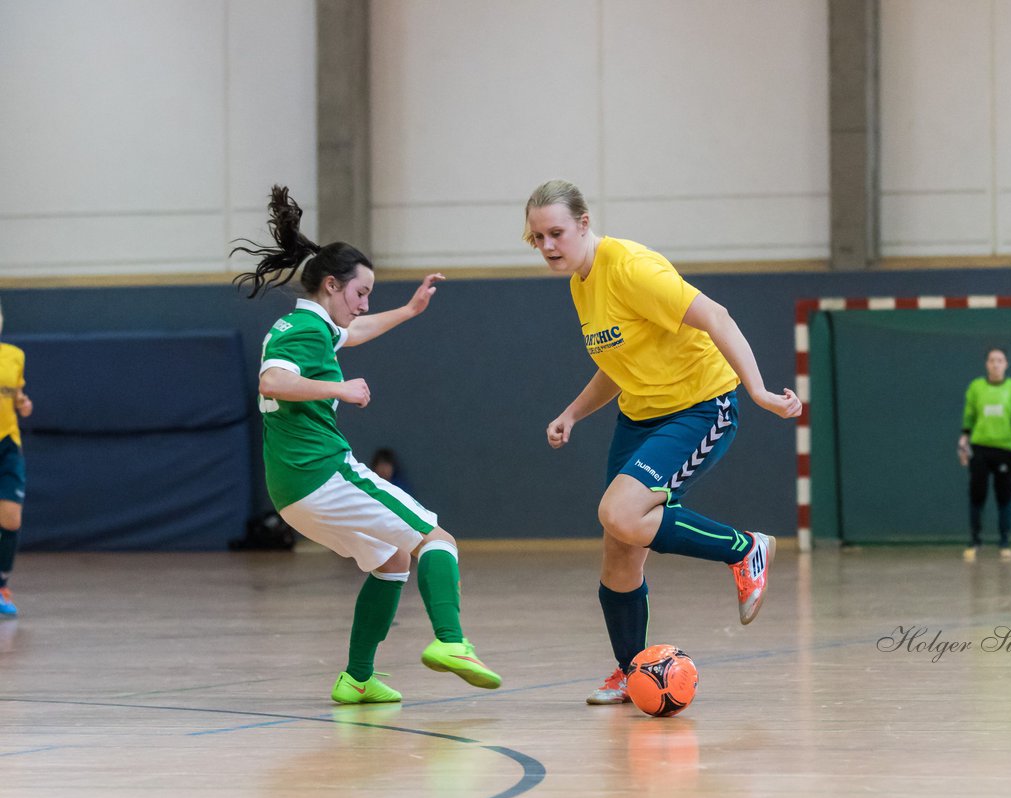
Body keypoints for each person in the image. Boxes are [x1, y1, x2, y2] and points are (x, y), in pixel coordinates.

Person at [524, 179, 802, 705]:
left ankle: (744, 550)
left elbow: (716, 315)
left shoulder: (630, 268)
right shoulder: (581, 282)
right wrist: (573, 412)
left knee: (623, 514)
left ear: (584, 223)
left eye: (556, 232)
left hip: (701, 405)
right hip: (641, 417)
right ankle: (632, 672)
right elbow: (617, 363)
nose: (548, 246)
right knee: (619, 546)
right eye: (537, 238)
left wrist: (759, 391)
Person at [232, 185, 502, 704]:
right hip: (321, 473)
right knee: (434, 536)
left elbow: (352, 335)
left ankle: (356, 679)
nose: (364, 304)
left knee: (391, 562)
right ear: (331, 286)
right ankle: (452, 643)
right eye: (360, 294)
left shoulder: (308, 323)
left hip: (293, 488)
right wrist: (340, 388)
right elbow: (272, 381)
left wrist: (409, 310)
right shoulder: (305, 333)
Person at [957, 347, 1011, 561]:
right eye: (992, 360)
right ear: (986, 364)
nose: (996, 364)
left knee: (1004, 496)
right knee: (977, 494)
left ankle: (1004, 541)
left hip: (1004, 450)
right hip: (980, 449)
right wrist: (963, 441)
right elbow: (969, 416)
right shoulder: (976, 388)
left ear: (1006, 364)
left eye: (1000, 360)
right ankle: (974, 540)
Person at [0, 300, 32, 618]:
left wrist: (23, 403)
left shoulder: (14, 355)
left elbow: (17, 395)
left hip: (8, 446)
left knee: (11, 519)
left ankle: (2, 585)